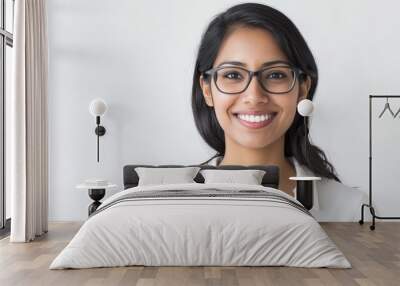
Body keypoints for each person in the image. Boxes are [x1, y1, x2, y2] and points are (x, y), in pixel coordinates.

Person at [191, 2, 365, 221]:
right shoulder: (171, 204)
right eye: (233, 75)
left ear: (303, 88)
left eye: (275, 75)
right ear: (207, 89)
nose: (254, 96)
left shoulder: (351, 210)